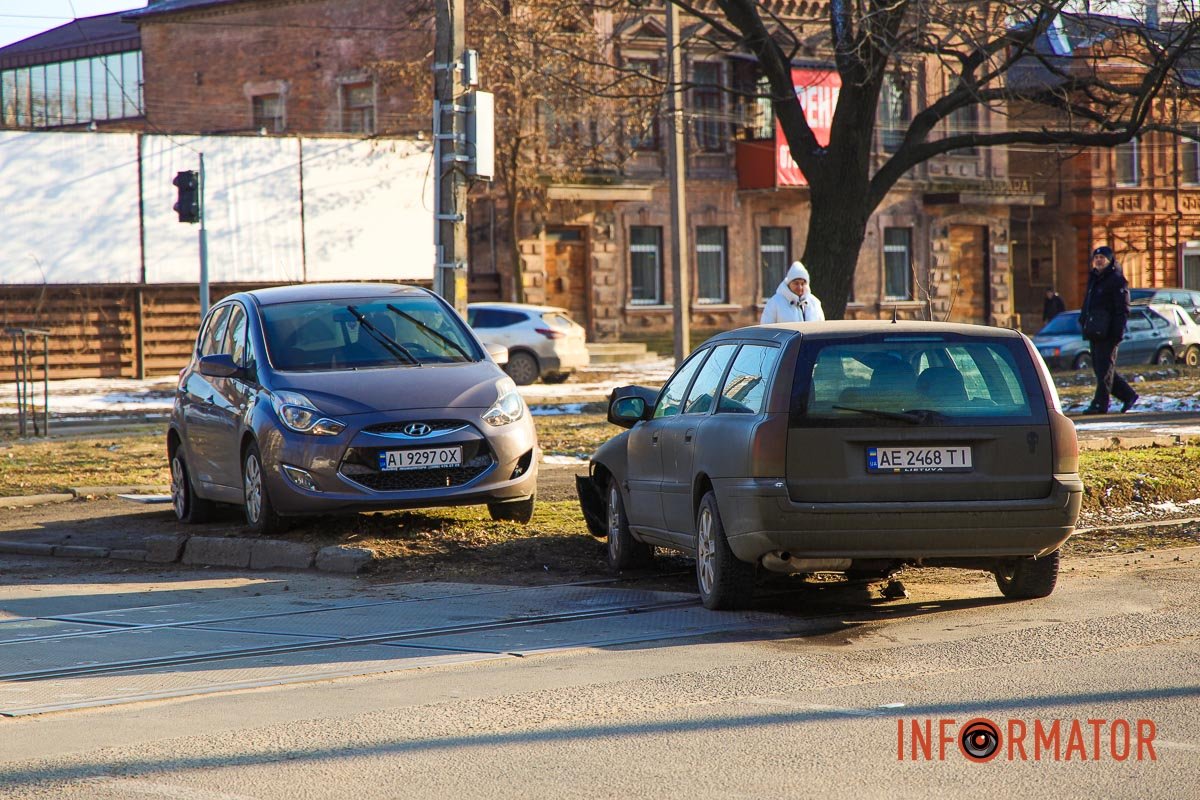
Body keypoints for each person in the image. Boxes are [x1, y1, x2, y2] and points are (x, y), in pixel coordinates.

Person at [1079, 246, 1137, 414]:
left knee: (1104, 369)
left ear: (1110, 260)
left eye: (1102, 258)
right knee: (1100, 369)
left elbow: (1123, 309)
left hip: (1109, 332)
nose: (1098, 260)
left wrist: (1118, 332)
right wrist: (1083, 319)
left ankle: (1100, 404)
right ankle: (1128, 395)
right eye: (1096, 257)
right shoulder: (1094, 279)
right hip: (1094, 330)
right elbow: (1088, 304)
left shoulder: (1117, 280)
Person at [761, 261, 826, 324]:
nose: (800, 287)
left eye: (803, 283)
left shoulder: (814, 303)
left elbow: (822, 330)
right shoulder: (775, 303)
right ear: (789, 284)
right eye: (796, 283)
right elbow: (766, 330)